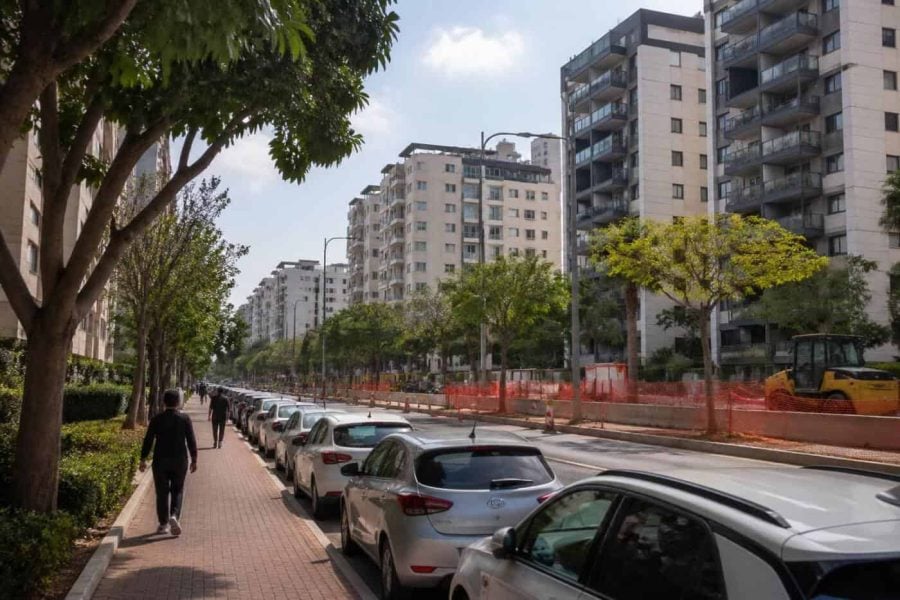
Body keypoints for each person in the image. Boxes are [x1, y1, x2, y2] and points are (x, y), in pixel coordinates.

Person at [139, 389, 198, 536]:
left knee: (162, 492)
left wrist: (143, 458)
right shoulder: (184, 419)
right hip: (180, 460)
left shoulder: (156, 419)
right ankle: (174, 515)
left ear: (163, 402)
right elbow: (191, 440)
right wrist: (194, 459)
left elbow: (148, 440)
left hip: (160, 460)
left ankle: (163, 524)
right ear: (178, 402)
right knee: (177, 490)